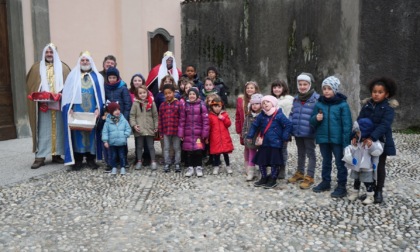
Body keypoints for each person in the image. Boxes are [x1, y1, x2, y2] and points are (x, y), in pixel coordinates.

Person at [353, 77, 398, 203]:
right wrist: (356, 136)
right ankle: (370, 191)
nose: (376, 94)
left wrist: (372, 137)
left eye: (380, 92)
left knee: (379, 166)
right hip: (365, 141)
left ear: (386, 94)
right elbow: (359, 121)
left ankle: (379, 191)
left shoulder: (388, 108)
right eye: (374, 91)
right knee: (367, 166)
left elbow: (384, 125)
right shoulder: (367, 105)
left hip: (380, 141)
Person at [26, 43, 71, 169]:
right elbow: (30, 85)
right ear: (44, 53)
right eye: (47, 52)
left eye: (51, 52)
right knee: (42, 129)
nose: (49, 54)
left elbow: (70, 85)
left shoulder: (64, 68)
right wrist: (40, 93)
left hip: (58, 105)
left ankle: (56, 154)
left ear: (55, 53)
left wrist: (61, 94)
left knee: (59, 129)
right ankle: (40, 156)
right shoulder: (36, 68)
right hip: (42, 107)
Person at [62, 51, 105, 170]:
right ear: (79, 61)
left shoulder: (98, 77)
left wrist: (98, 108)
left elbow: (100, 95)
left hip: (92, 112)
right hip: (77, 111)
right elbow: (67, 94)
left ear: (91, 62)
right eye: (83, 60)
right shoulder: (72, 76)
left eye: (87, 60)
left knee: (92, 134)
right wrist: (69, 108)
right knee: (77, 134)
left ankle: (91, 159)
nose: (85, 62)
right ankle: (78, 159)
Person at [310, 76, 352, 198]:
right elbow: (312, 121)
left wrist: (346, 142)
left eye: (329, 88)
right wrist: (316, 119)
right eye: (324, 88)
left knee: (340, 163)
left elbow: (347, 124)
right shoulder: (319, 104)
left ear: (335, 90)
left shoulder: (342, 105)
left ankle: (342, 185)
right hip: (323, 138)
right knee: (326, 161)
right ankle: (325, 182)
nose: (327, 91)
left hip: (337, 140)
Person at [246, 95, 292, 189]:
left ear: (273, 103)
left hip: (275, 143)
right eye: (263, 103)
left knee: (274, 162)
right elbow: (254, 125)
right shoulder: (261, 115)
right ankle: (264, 177)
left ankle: (273, 179)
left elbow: (288, 125)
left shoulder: (279, 114)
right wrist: (250, 135)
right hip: (264, 143)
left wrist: (284, 136)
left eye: (267, 102)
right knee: (262, 161)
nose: (265, 104)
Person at [288, 73, 319, 189]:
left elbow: (318, 116)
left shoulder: (316, 99)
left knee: (311, 154)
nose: (302, 87)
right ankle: (300, 172)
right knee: (300, 153)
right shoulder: (296, 99)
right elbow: (292, 114)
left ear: (309, 85)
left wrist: (314, 127)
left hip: (309, 132)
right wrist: (291, 126)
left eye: (305, 84)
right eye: (300, 84)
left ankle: (309, 176)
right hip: (298, 131)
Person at [344, 118, 383, 204]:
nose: (357, 134)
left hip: (367, 167)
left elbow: (378, 152)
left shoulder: (373, 142)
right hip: (357, 165)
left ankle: (370, 196)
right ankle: (355, 193)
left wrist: (371, 146)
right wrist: (353, 145)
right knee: (356, 180)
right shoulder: (357, 140)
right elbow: (353, 150)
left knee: (367, 182)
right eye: (356, 133)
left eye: (358, 133)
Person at [178, 87, 209, 177]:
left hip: (198, 133)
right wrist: (181, 133)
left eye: (193, 94)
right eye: (190, 94)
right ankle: (190, 167)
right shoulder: (185, 105)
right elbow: (182, 120)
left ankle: (198, 167)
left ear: (197, 95)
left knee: (198, 151)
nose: (192, 96)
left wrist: (205, 133)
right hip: (188, 132)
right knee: (189, 151)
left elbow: (205, 121)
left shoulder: (201, 105)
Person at [130, 85, 158, 170]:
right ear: (137, 94)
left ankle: (153, 161)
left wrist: (156, 126)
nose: (142, 94)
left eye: (144, 92)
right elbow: (132, 116)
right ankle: (139, 160)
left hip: (149, 128)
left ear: (147, 93)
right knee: (139, 146)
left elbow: (155, 116)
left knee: (151, 146)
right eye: (140, 93)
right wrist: (134, 125)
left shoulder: (151, 103)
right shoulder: (135, 104)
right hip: (139, 128)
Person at [271, 79, 294, 179]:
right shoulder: (270, 99)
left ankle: (282, 169)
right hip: (273, 129)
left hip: (284, 129)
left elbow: (290, 115)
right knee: (274, 149)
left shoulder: (288, 100)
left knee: (282, 150)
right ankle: (275, 168)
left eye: (279, 87)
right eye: (274, 87)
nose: (276, 89)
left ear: (284, 88)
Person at [235, 81, 260, 173]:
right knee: (247, 146)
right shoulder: (241, 100)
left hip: (257, 128)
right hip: (245, 127)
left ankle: (258, 164)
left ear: (256, 89)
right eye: (248, 88)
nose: (249, 89)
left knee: (258, 146)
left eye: (252, 88)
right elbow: (237, 116)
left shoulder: (260, 100)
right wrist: (238, 129)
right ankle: (248, 164)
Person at [102, 102, 131, 175]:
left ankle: (123, 167)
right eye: (115, 110)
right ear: (111, 112)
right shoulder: (107, 122)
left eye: (118, 109)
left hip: (121, 142)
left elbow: (128, 128)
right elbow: (105, 132)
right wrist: (105, 141)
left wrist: (125, 135)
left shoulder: (123, 120)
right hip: (112, 142)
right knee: (113, 156)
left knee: (122, 155)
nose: (117, 111)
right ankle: (114, 167)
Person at [158, 84, 182, 172]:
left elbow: (181, 118)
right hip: (166, 131)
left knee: (177, 147)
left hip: (176, 131)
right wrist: (160, 132)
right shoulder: (162, 105)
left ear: (174, 93)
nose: (168, 95)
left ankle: (177, 163)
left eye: (170, 93)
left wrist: (181, 131)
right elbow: (160, 119)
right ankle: (167, 163)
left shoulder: (179, 104)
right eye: (166, 93)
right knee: (166, 148)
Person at [207, 97, 234, 175]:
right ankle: (216, 166)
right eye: (215, 106)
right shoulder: (210, 116)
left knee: (226, 153)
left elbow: (228, 124)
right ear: (212, 107)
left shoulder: (224, 114)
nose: (217, 108)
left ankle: (228, 166)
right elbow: (209, 127)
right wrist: (207, 137)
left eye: (219, 106)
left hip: (224, 137)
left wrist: (223, 118)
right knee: (216, 154)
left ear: (221, 106)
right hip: (215, 138)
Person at [241, 93, 263, 181]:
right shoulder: (248, 115)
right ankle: (251, 171)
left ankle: (262, 171)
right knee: (251, 154)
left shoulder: (263, 116)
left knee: (262, 154)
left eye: (257, 104)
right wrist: (244, 135)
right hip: (250, 139)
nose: (254, 106)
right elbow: (244, 126)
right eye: (253, 104)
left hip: (260, 139)